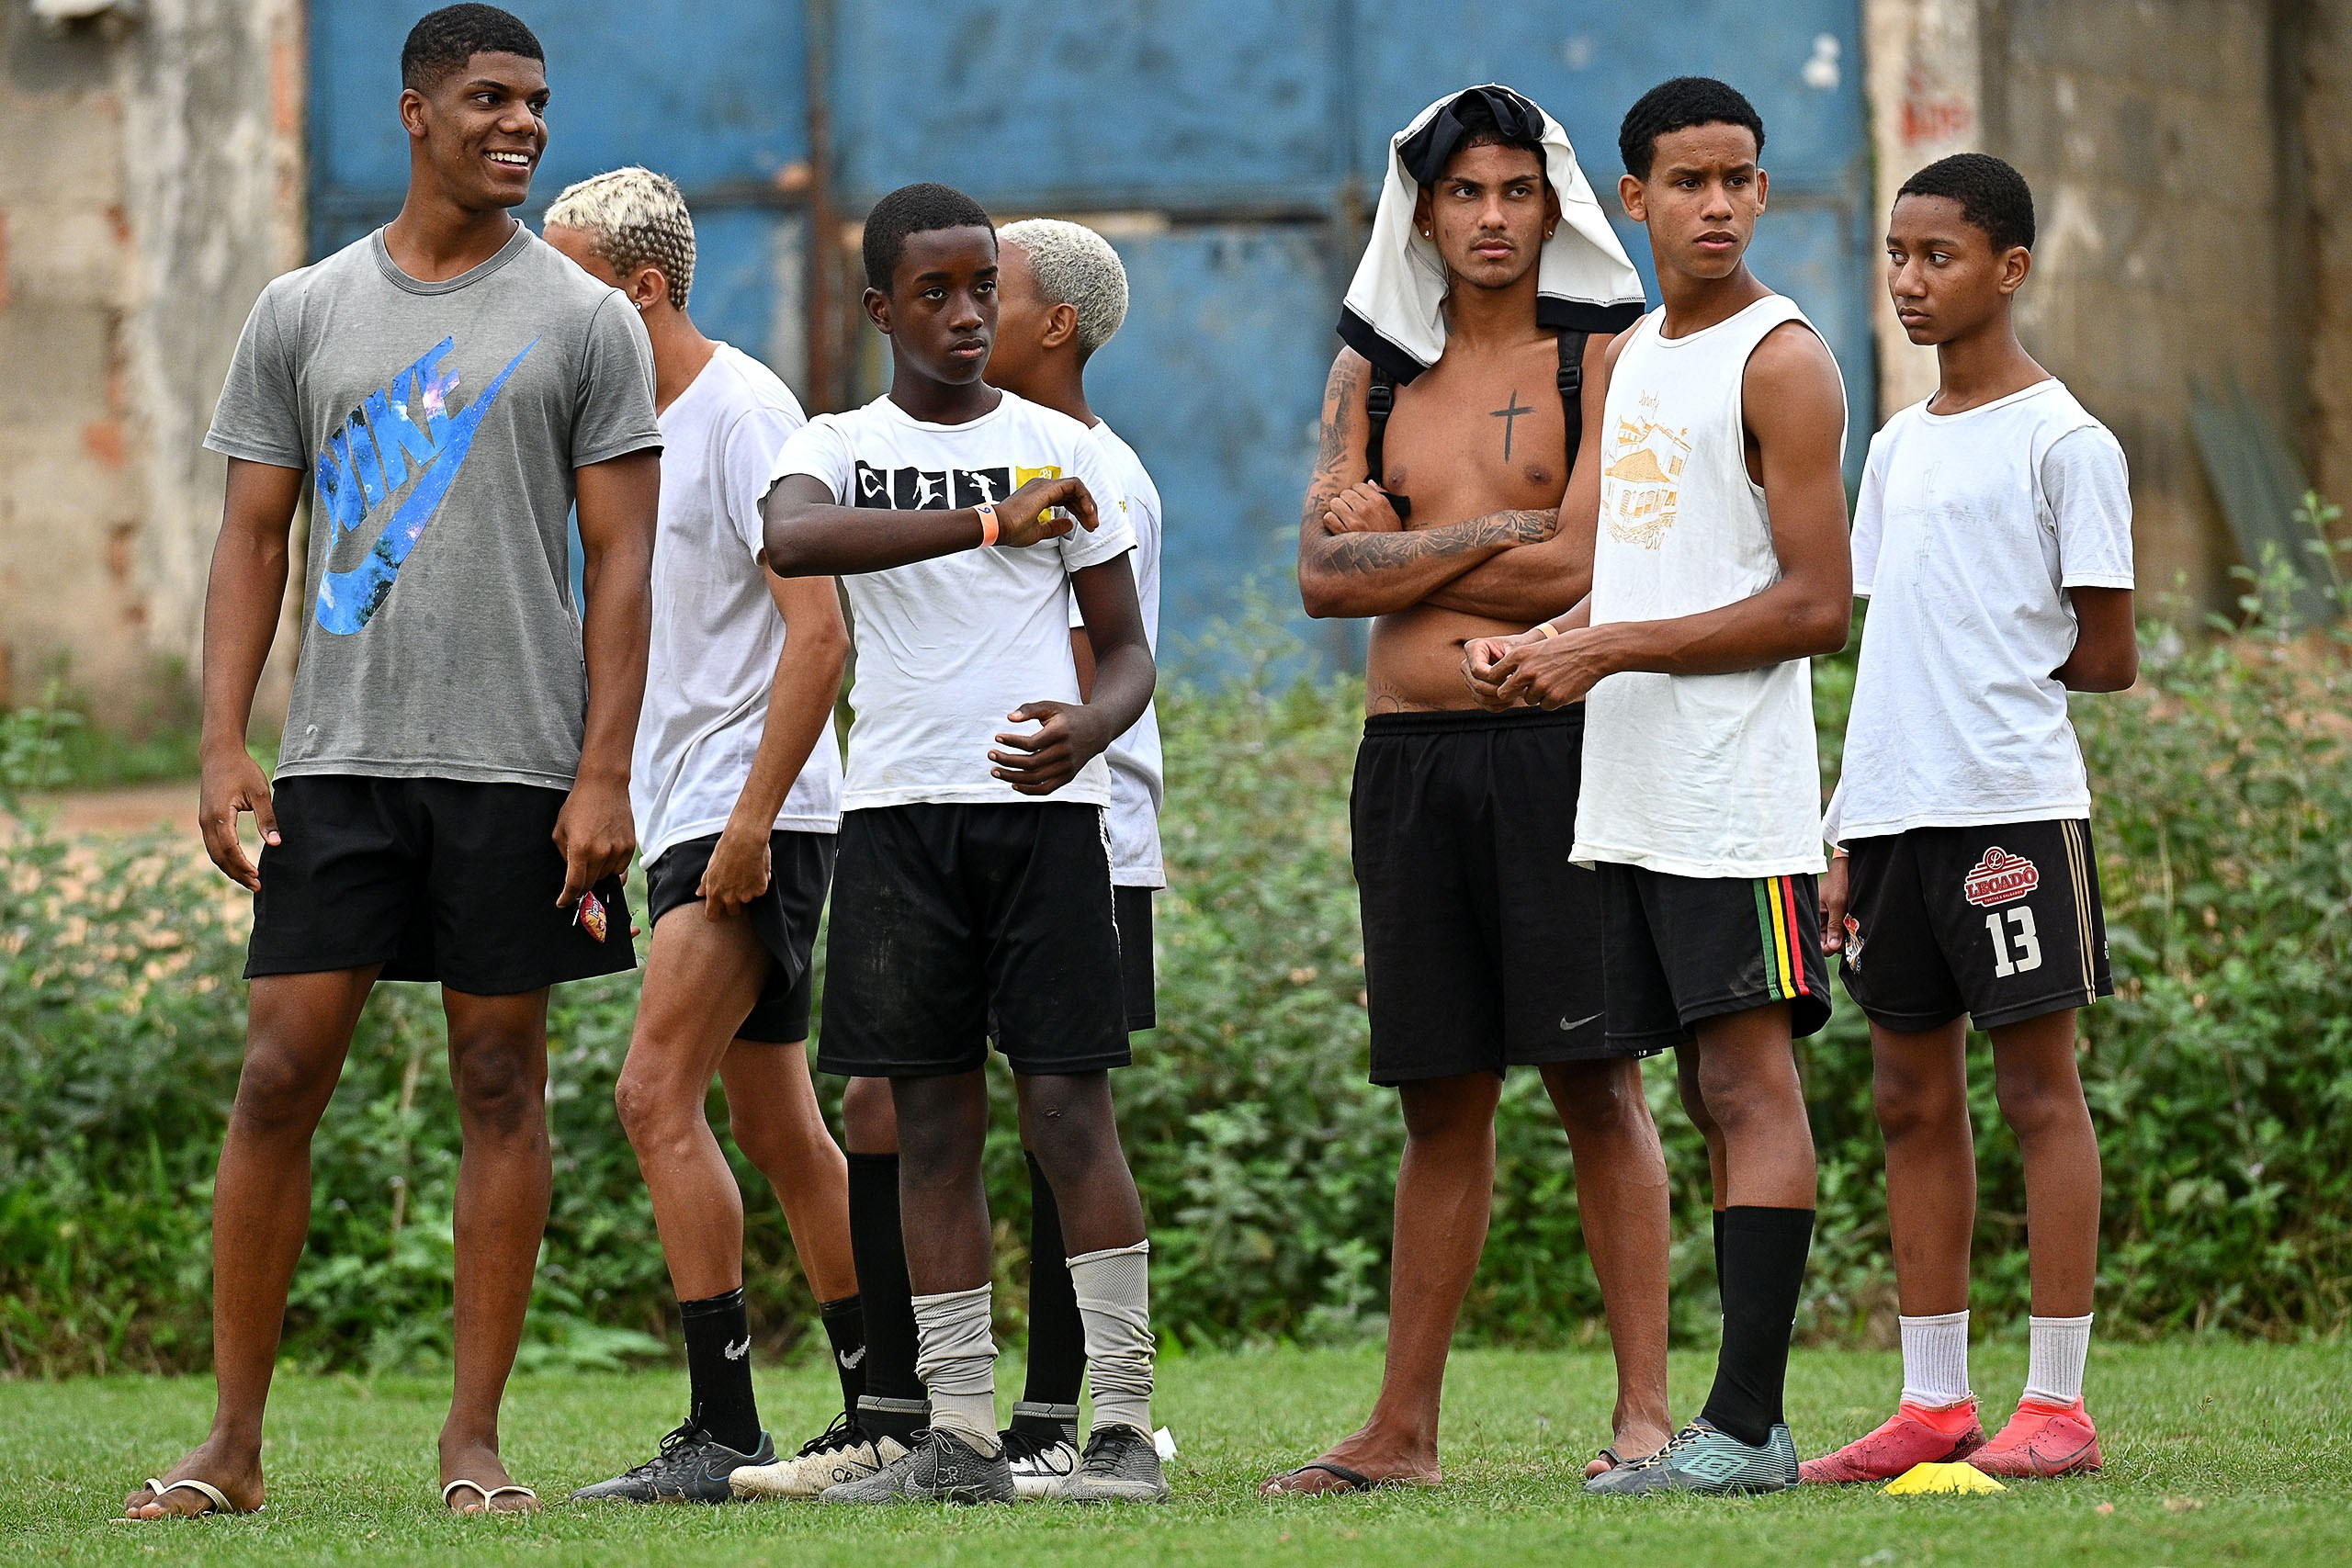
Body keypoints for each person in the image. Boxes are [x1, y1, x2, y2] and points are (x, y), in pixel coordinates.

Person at [127, 5, 661, 1519]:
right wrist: (226, 738)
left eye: (538, 102)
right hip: (341, 763)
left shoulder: (584, 319)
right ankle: (227, 1446)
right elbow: (251, 537)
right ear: (416, 112)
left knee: (503, 1079)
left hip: (517, 768)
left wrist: (602, 771)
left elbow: (621, 566)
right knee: (279, 1071)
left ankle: (471, 1445)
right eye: (491, 98)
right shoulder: (301, 309)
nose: (524, 125)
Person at [1263, 84, 1671, 1495]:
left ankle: (1645, 1416)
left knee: (1594, 1079)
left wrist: (1427, 539)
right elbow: (1324, 583)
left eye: (1514, 191)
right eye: (1463, 195)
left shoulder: (1602, 361)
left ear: (1551, 204)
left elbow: (1582, 572)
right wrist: (1503, 532)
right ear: (1422, 215)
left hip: (1556, 755)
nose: (1491, 219)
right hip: (1411, 766)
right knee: (1440, 1101)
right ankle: (1402, 1434)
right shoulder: (1369, 379)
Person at [1466, 75, 1852, 1497]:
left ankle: (1747, 1429)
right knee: (1699, 1089)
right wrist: (1554, 645)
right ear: (1632, 199)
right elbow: (1644, 569)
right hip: (1626, 790)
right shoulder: (1628, 358)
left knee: (1751, 1084)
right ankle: (1728, 1423)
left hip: (1737, 794)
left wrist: (1614, 644)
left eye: (1739, 179)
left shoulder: (1786, 358)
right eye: (1687, 182)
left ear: (1762, 191)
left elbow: (1819, 605)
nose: (1717, 205)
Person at [760, 183, 1168, 1506]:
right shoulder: (841, 440)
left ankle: (1118, 1428)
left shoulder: (1073, 450)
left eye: (982, 287)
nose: (966, 314)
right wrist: (990, 521)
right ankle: (961, 1437)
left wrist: (1088, 730)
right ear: (883, 309)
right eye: (933, 293)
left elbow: (1126, 652)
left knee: (1068, 1115)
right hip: (894, 821)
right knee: (927, 1128)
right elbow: (793, 535)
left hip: (1044, 829)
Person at [1801, 153, 2134, 1485]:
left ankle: (2056, 1407)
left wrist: (2001, 679)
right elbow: (1893, 647)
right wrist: (1844, 826)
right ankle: (1933, 1403)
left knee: (2038, 1092)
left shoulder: (2068, 442)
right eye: (1895, 254)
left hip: (2010, 811)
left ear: (2010, 267)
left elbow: (2104, 653)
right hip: (1892, 821)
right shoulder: (1895, 444)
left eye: (1938, 256)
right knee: (1904, 1096)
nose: (1908, 280)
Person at [539, 167, 865, 1503]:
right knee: (778, 1120)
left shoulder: (741, 415)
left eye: (559, 283)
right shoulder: (612, 431)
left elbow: (821, 637)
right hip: (677, 808)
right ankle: (882, 1400)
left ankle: (725, 1427)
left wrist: (745, 825)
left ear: (640, 289)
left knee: (649, 1095)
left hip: (751, 810)